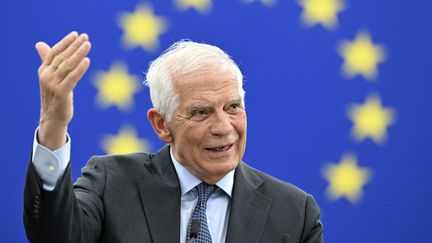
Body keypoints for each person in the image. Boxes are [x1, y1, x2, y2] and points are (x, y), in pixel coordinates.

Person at [23, 31, 323, 243]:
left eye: (233, 107)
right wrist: (53, 126)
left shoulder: (295, 213)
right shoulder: (111, 182)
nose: (223, 126)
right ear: (162, 125)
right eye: (201, 112)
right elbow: (55, 236)